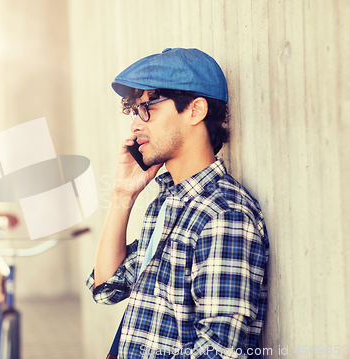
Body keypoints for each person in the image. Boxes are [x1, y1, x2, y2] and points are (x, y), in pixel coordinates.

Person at [86, 48, 269, 359]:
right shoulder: (167, 203)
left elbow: (219, 350)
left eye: (147, 109)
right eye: (134, 112)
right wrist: (122, 195)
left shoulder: (223, 215)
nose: (135, 126)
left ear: (195, 110)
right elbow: (107, 289)